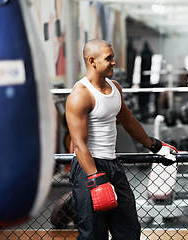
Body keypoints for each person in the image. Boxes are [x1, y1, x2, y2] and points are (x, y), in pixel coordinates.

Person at [66, 39, 178, 240]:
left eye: (113, 57)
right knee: (93, 234)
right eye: (108, 58)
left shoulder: (115, 87)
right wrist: (95, 178)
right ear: (92, 61)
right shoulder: (80, 95)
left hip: (113, 165)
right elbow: (79, 144)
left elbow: (129, 121)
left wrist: (155, 145)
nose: (114, 63)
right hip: (88, 168)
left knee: (129, 231)